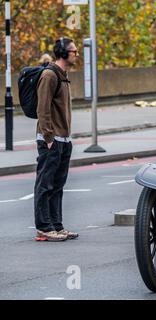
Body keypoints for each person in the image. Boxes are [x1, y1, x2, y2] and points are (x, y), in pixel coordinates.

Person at [34, 38, 79, 241]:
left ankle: (56, 225)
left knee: (58, 185)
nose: (76, 54)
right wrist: (48, 137)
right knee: (45, 184)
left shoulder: (63, 76)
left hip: (64, 139)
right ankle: (44, 227)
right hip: (51, 140)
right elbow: (42, 109)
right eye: (73, 51)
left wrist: (65, 138)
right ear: (63, 53)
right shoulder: (49, 75)